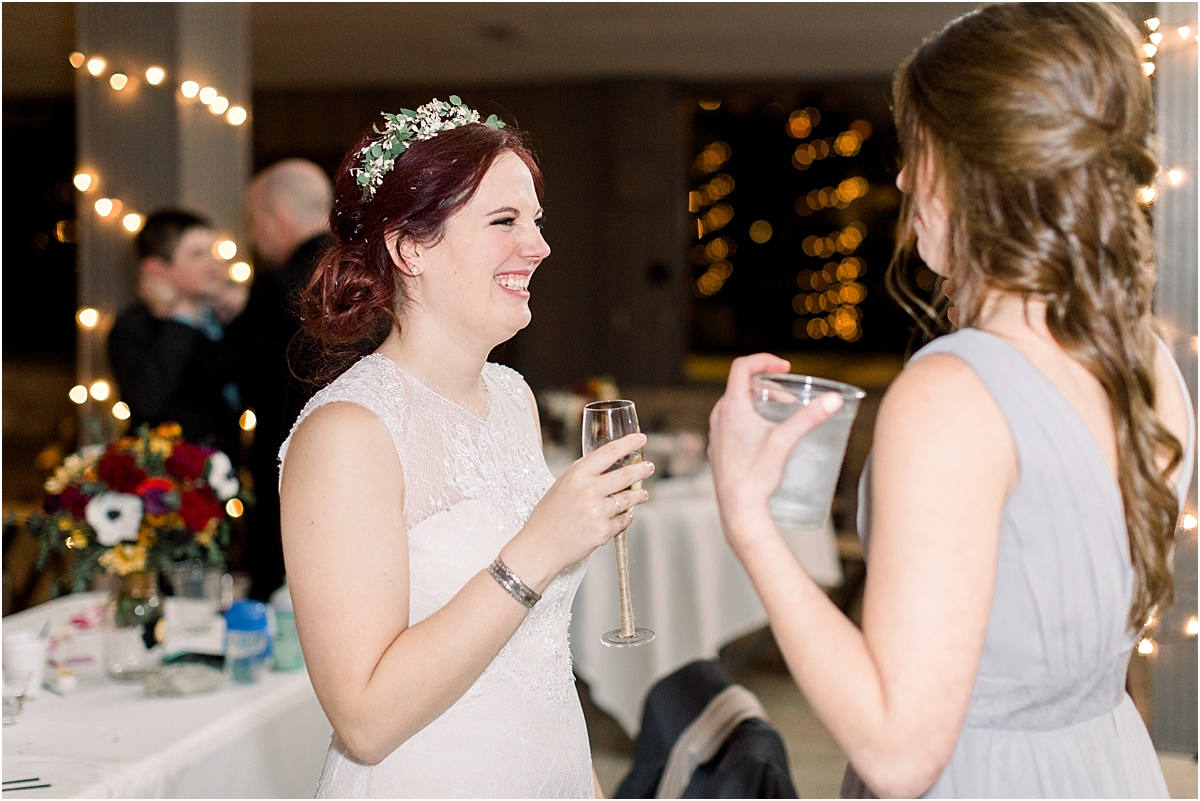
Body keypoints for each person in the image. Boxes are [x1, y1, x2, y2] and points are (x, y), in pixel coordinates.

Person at [707, 5, 1195, 798]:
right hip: (1106, 767)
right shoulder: (1147, 360)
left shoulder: (951, 394)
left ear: (977, 165)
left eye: (919, 149)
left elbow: (901, 755)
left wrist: (748, 518)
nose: (901, 180)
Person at [278, 98, 654, 797]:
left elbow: (535, 660)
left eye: (536, 222)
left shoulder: (511, 397)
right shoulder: (347, 435)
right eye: (505, 221)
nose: (538, 246)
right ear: (410, 246)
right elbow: (363, 719)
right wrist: (538, 549)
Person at [235, 159, 334, 601]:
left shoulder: (275, 285)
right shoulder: (369, 276)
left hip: (286, 464)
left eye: (255, 223)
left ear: (278, 216)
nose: (255, 237)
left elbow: (231, 371)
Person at [109, 210, 248, 457]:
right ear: (157, 269)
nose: (214, 263)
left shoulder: (225, 312)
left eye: (213, 251)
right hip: (171, 477)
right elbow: (146, 401)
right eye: (197, 254)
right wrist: (181, 320)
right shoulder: (135, 326)